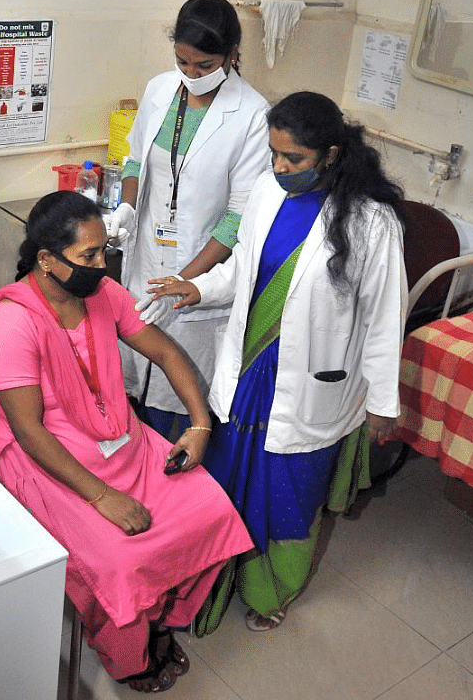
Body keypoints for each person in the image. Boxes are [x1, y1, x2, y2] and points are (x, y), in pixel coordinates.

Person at [0, 191, 252, 692]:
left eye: (103, 250)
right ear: (46, 260)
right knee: (123, 560)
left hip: (120, 441)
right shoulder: (11, 324)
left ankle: (159, 615)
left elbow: (165, 352)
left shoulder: (101, 294)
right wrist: (101, 496)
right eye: (88, 256)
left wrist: (199, 425)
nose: (102, 263)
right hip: (51, 461)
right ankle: (126, 655)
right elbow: (28, 431)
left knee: (211, 511)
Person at [144, 91, 408, 634]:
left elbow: (385, 318)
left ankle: (271, 592)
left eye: (295, 160)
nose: (280, 168)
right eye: (275, 155)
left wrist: (383, 401)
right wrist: (197, 288)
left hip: (312, 383)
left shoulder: (370, 223)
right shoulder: (266, 192)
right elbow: (244, 268)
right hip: (246, 375)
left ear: (331, 154)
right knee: (224, 482)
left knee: (289, 494)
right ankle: (208, 586)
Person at [104, 0, 271, 439]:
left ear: (233, 54)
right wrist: (127, 205)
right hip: (145, 261)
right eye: (183, 62)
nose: (192, 75)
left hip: (199, 275)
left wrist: (185, 282)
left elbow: (237, 219)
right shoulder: (160, 89)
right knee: (129, 393)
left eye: (205, 66)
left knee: (178, 405)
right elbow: (137, 161)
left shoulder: (253, 115)